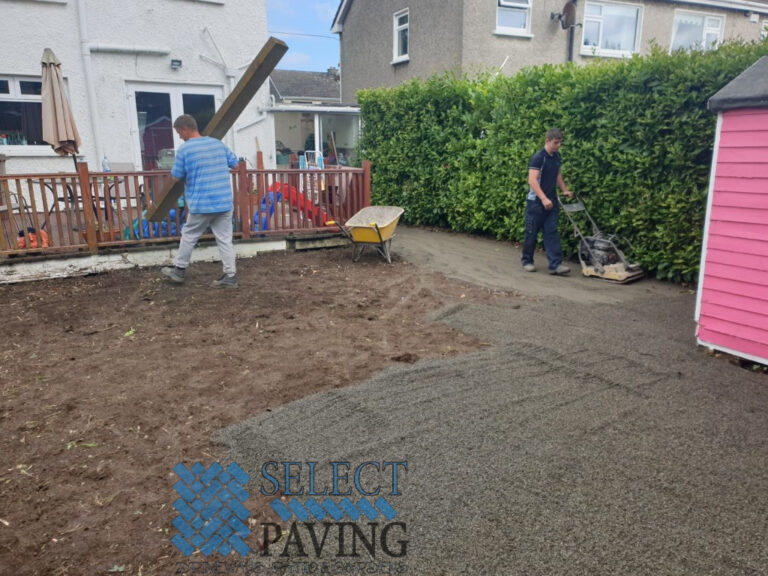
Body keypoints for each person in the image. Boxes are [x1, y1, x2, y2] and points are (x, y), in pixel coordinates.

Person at [161, 114, 240, 288]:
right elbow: (235, 165)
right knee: (225, 239)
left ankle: (179, 271)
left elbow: (175, 177)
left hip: (202, 203)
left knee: (189, 236)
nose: (180, 137)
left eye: (179, 133)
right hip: (224, 202)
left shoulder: (185, 150)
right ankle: (230, 276)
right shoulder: (218, 144)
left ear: (185, 129)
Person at [521, 128, 573, 275]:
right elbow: (532, 180)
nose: (558, 146)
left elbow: (557, 174)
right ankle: (527, 261)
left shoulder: (557, 157)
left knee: (552, 232)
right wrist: (543, 198)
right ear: (548, 141)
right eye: (556, 143)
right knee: (531, 233)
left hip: (551, 202)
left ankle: (555, 265)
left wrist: (564, 190)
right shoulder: (539, 157)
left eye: (560, 143)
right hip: (536, 203)